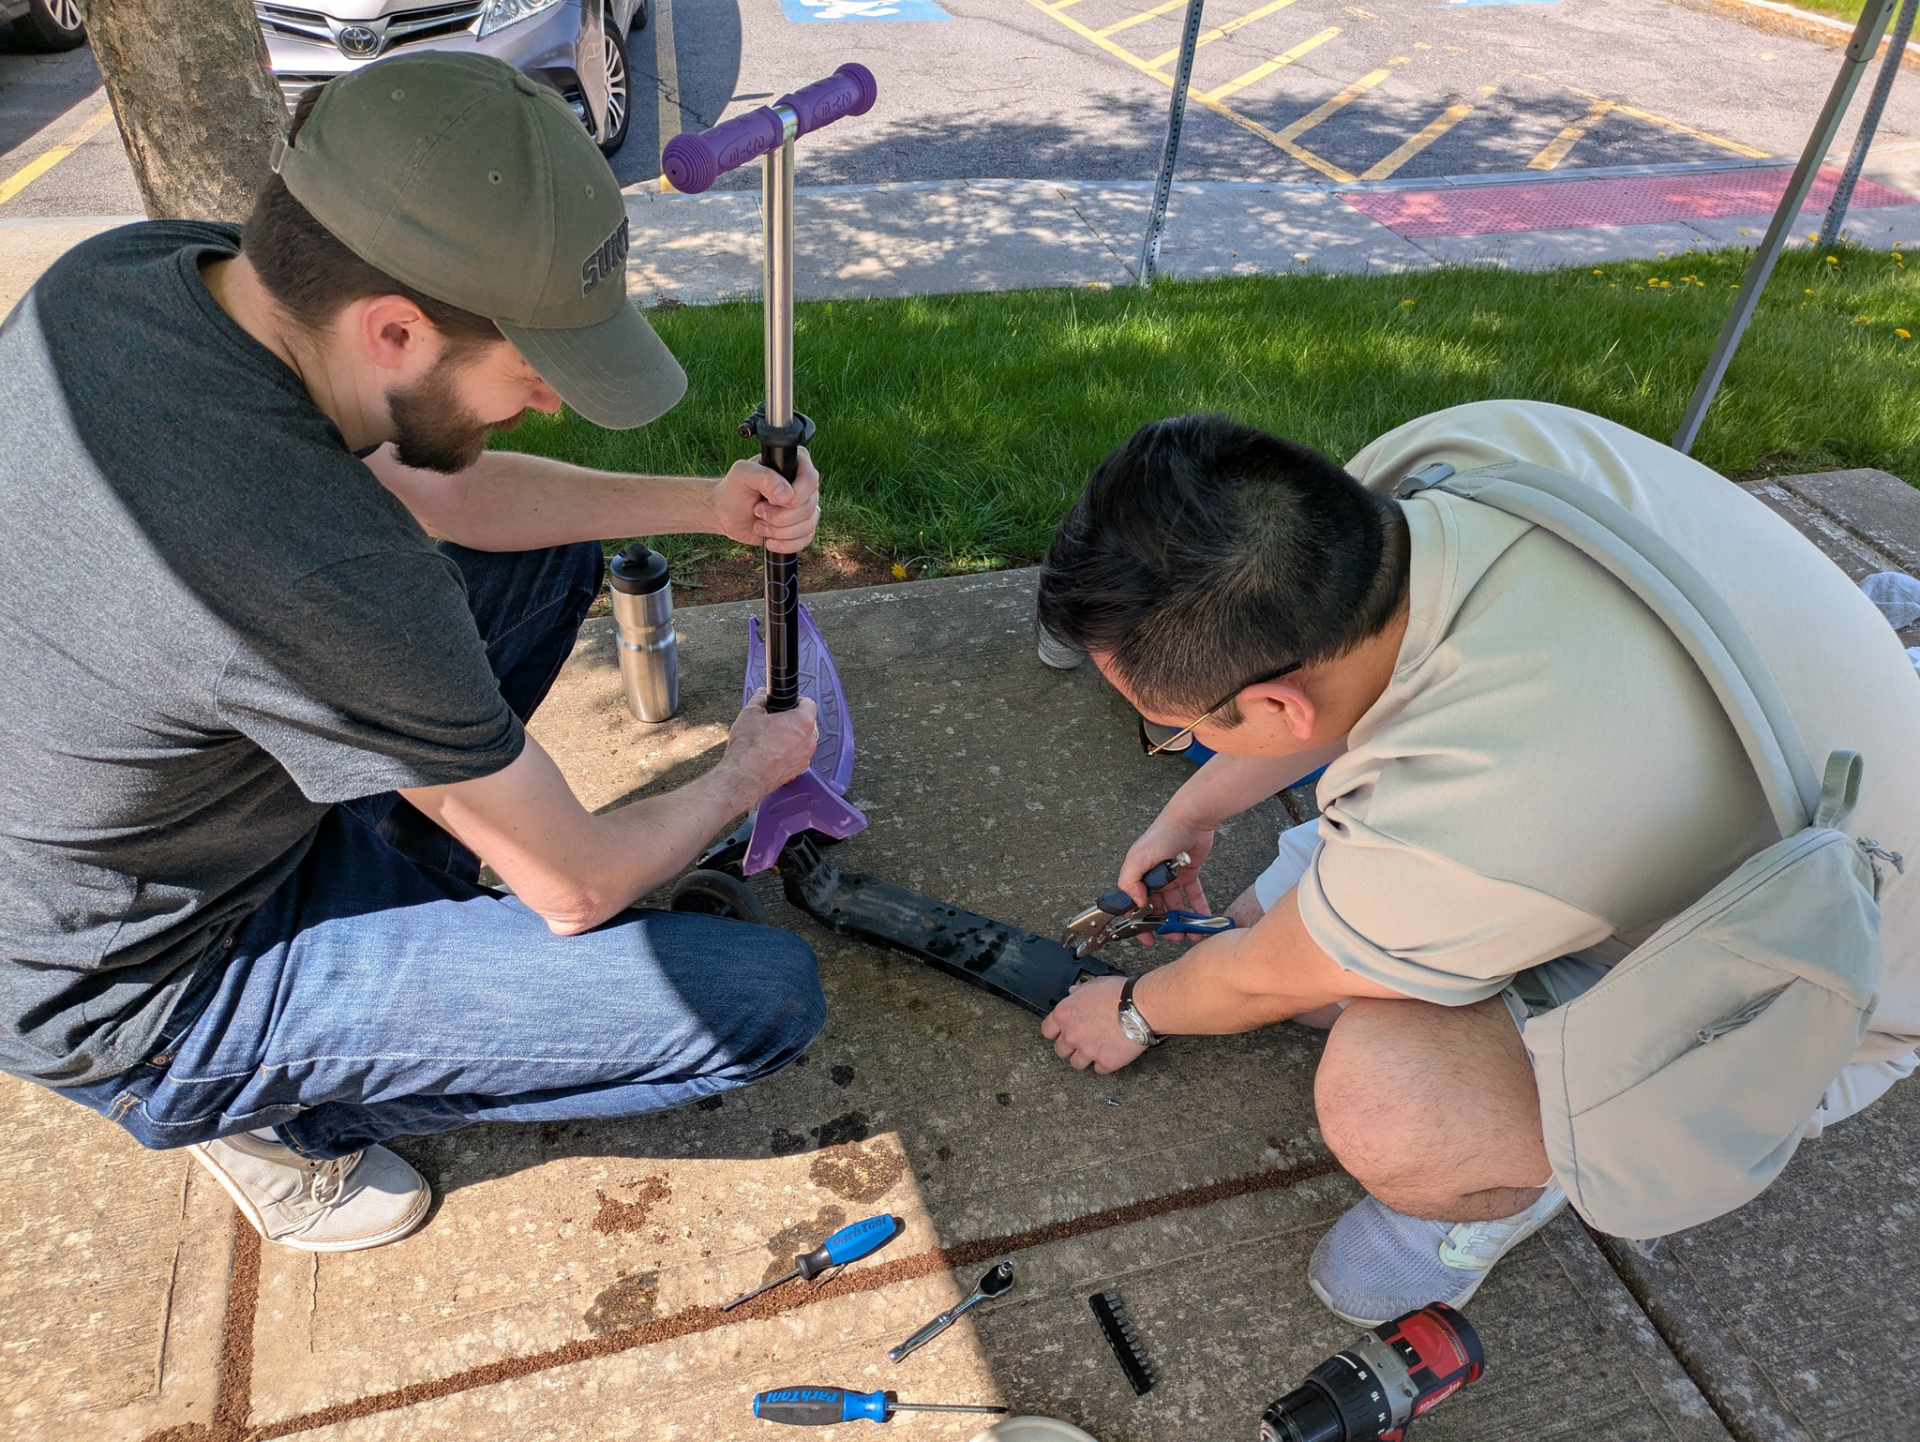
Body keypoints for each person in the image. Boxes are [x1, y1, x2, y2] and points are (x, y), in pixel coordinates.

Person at [0, 53, 830, 1253]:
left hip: (130, 798)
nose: (545, 399)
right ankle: (275, 1117)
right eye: (532, 369)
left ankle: (418, 902)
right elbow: (579, 883)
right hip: (130, 981)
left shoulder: (141, 273)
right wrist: (741, 773)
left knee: (546, 555)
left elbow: (449, 492)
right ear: (392, 327)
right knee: (758, 1001)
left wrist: (708, 502)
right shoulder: (311, 566)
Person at [1035, 401, 1920, 1325]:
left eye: (1171, 730)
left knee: (1386, 1090)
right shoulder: (1460, 452)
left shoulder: (1494, 814)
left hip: (1832, 979)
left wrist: (1135, 1012)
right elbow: (1342, 669)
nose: (1174, 743)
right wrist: (1193, 807)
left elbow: (1256, 980)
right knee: (1303, 943)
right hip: (1803, 747)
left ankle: (1518, 1181)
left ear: (1275, 706)